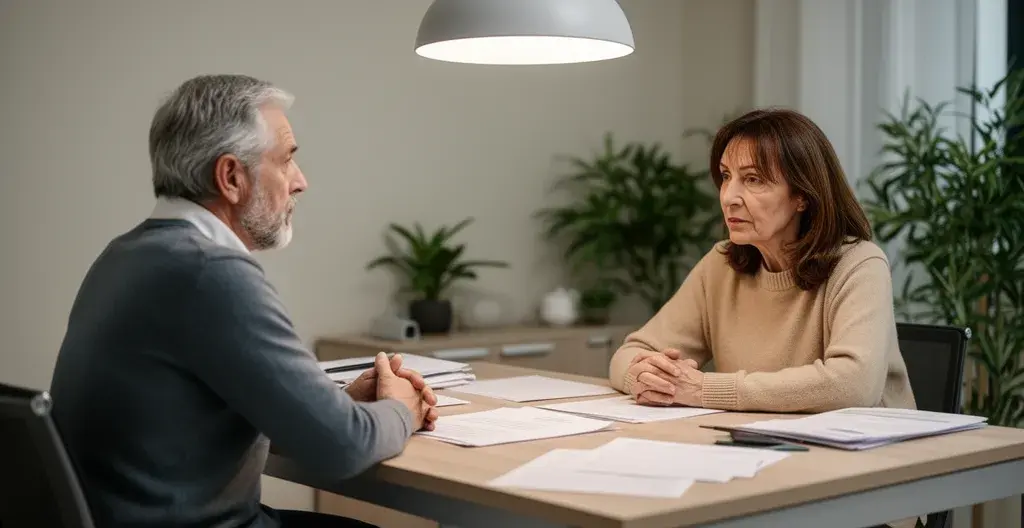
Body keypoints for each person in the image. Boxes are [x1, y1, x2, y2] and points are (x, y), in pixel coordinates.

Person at [49, 74, 437, 528]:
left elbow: (186, 422)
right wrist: (402, 408)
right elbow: (343, 449)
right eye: (287, 160)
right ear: (231, 177)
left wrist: (334, 408)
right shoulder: (209, 274)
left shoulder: (124, 257)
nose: (300, 182)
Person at [608, 107, 916, 414]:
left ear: (802, 196)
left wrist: (705, 390)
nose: (728, 197)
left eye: (753, 179)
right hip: (757, 437)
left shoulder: (859, 264)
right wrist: (644, 378)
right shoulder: (720, 265)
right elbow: (632, 352)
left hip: (874, 442)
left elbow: (855, 384)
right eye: (726, 176)